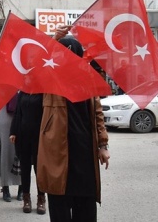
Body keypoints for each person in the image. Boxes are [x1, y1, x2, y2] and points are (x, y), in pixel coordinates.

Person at [37, 27, 111, 222]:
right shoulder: (49, 79)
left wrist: (103, 145)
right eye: (64, 54)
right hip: (57, 156)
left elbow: (97, 114)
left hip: (85, 156)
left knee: (86, 213)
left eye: (73, 55)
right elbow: (35, 68)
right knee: (60, 211)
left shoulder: (87, 80)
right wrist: (53, 40)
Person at [10, 92, 46, 214]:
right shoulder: (22, 94)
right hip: (23, 135)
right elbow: (17, 113)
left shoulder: (44, 93)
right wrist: (13, 132)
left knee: (39, 168)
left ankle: (41, 199)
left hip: (40, 137)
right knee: (25, 168)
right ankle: (26, 199)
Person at [0, 95, 22, 203]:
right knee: (3, 156)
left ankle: (22, 187)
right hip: (0, 128)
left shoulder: (20, 88)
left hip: (19, 126)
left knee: (20, 156)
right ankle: (5, 187)